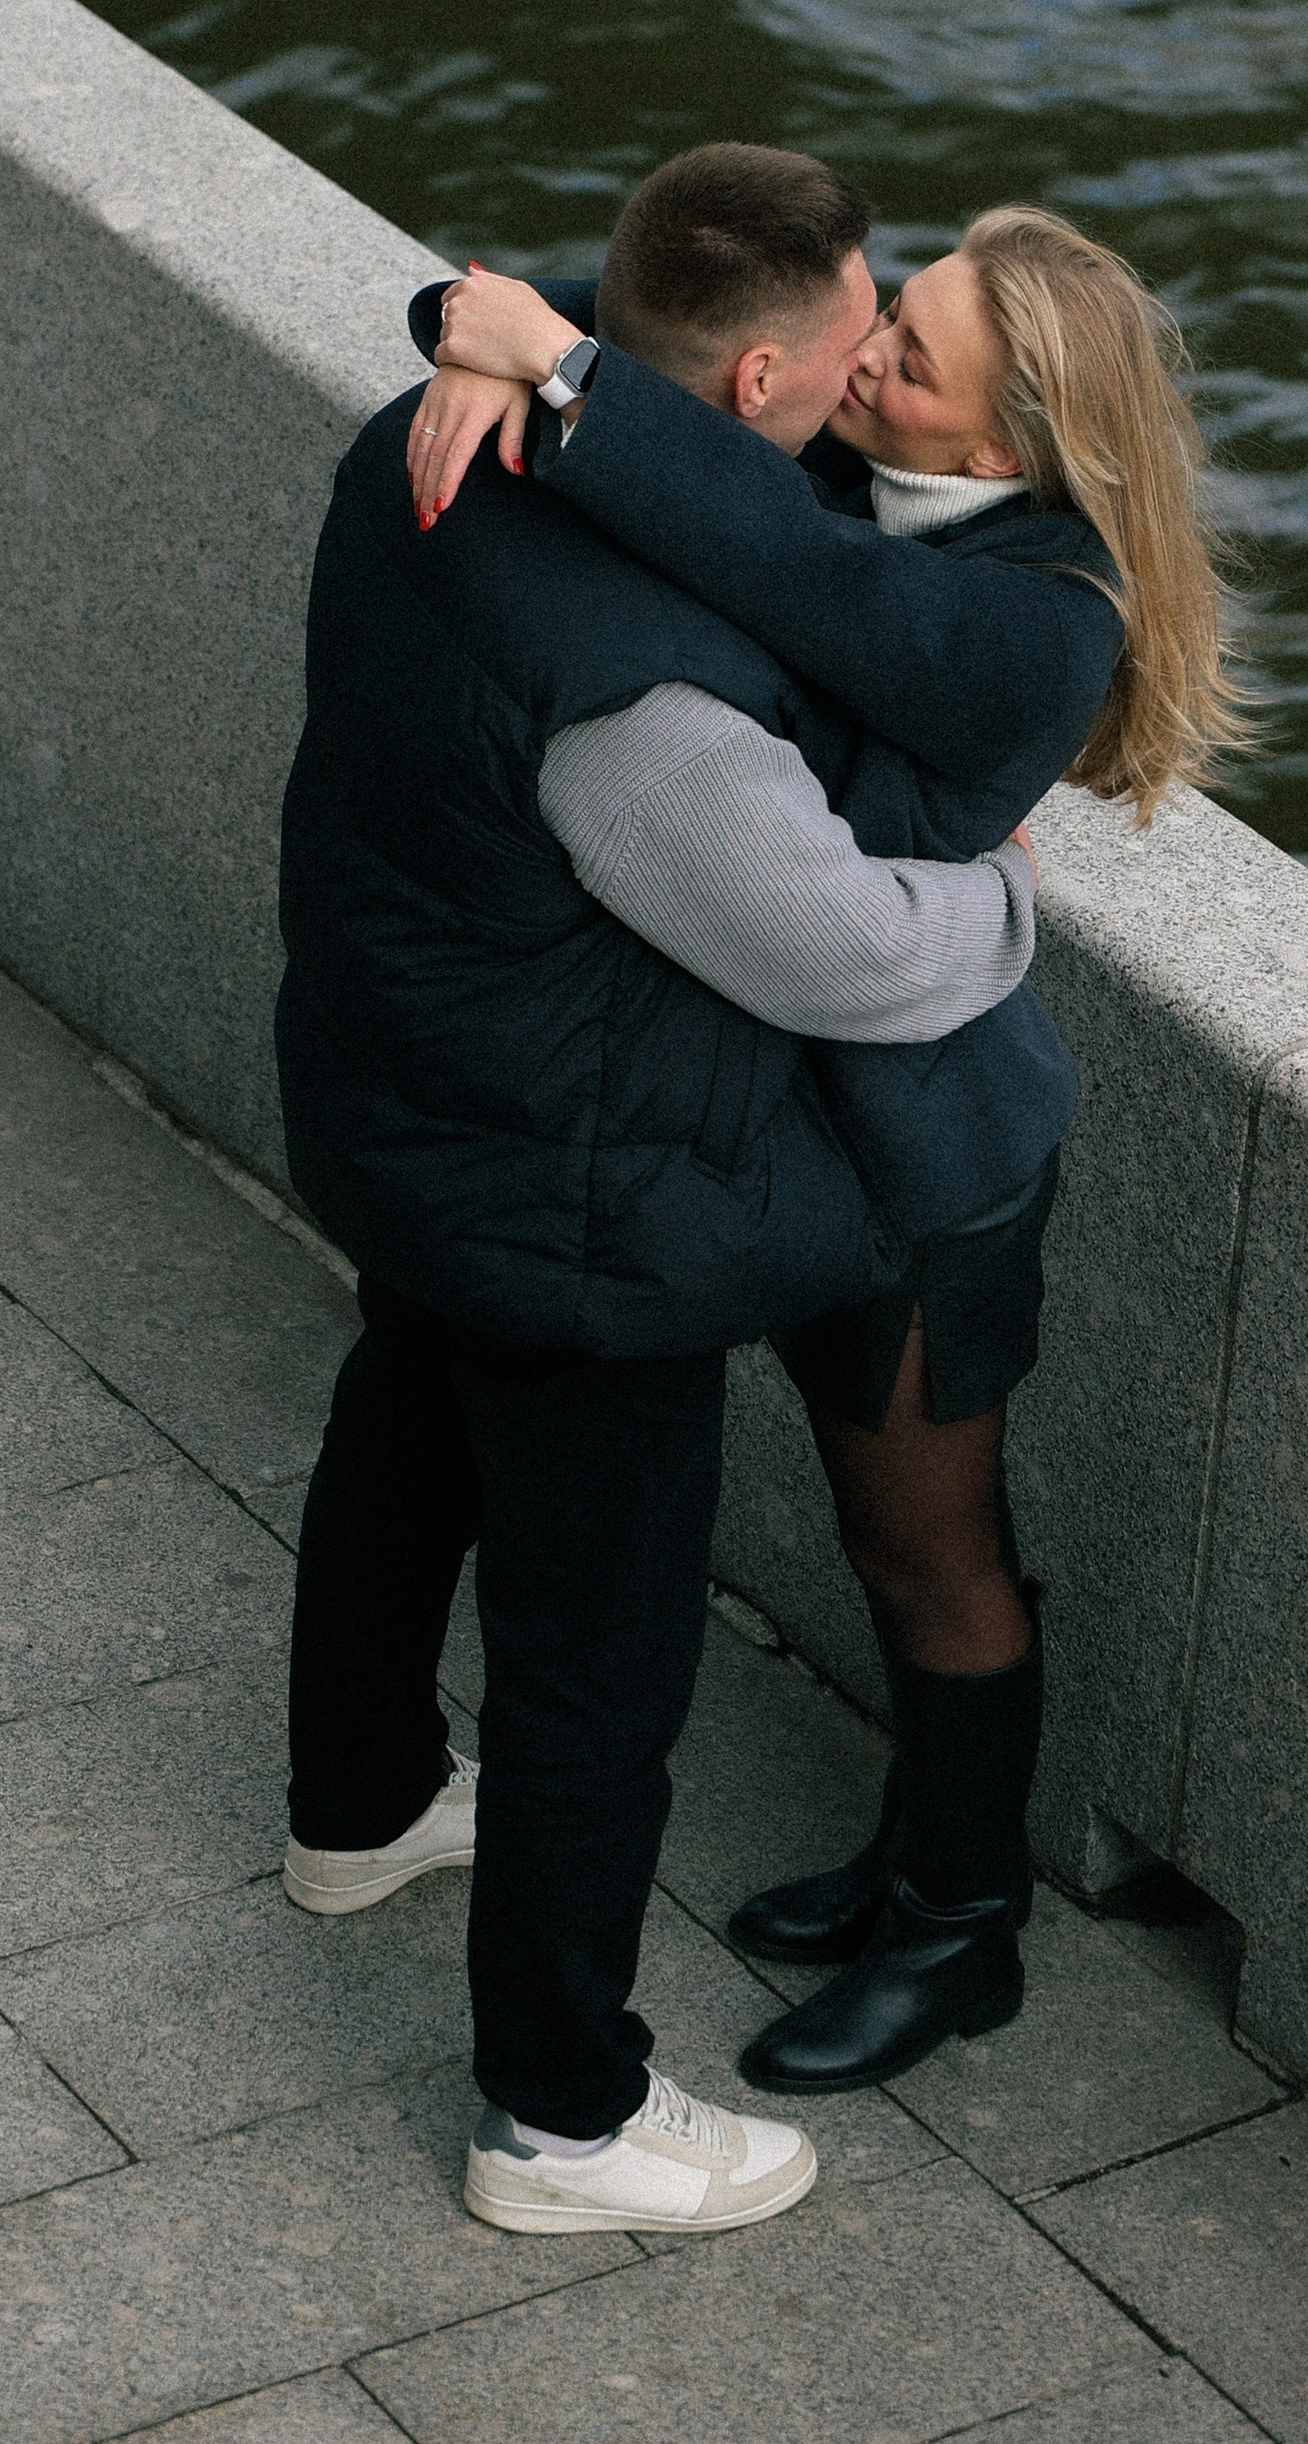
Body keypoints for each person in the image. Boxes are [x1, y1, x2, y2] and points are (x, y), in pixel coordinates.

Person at [277, 146, 1068, 2238]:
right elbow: (846, 957)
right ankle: (557, 2116)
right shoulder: (654, 707)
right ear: (751, 393)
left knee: (399, 1434)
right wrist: (988, 905)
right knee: (593, 1665)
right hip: (584, 1210)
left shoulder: (421, 446)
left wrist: (484, 334)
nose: (872, 356)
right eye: (855, 338)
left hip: (402, 1099)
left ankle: (352, 1810)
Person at [408, 183, 1240, 2094]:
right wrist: (473, 330)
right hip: (797, 1130)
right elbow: (622, 308)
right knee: (887, 1537)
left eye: (912, 353)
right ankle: (907, 1864)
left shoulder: (1038, 619)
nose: (864, 354)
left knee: (926, 1546)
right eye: (895, 309)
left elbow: (803, 584)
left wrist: (555, 372)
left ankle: (965, 1930)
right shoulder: (882, 463)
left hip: (928, 1157)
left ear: (1010, 444)